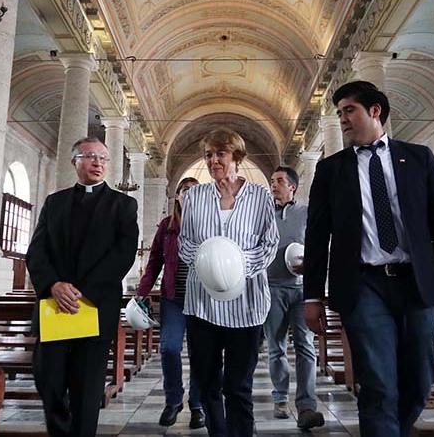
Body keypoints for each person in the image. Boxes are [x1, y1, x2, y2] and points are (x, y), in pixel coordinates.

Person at [303, 81, 434, 437]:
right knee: (378, 383)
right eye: (339, 114)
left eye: (349, 110)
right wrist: (312, 297)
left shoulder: (418, 158)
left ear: (375, 111)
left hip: (415, 283)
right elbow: (317, 237)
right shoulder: (331, 170)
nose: (343, 120)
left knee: (419, 381)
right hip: (363, 285)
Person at [26, 136, 139, 437]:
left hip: (94, 307)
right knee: (48, 383)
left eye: (103, 157)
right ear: (74, 161)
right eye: (90, 156)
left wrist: (79, 291)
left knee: (87, 393)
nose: (98, 162)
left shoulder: (124, 205)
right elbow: (36, 252)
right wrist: (53, 285)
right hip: (54, 308)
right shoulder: (55, 202)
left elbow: (123, 255)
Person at [179, 128, 279, 436]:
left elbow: (270, 244)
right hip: (202, 304)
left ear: (236, 156)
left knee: (238, 385)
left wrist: (235, 268)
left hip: (246, 304)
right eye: (208, 155)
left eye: (220, 154)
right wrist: (210, 265)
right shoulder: (194, 196)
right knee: (207, 381)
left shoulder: (261, 196)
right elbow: (184, 243)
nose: (213, 160)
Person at [136, 176, 205, 429]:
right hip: (173, 298)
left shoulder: (209, 224)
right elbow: (155, 261)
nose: (189, 194)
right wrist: (142, 290)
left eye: (195, 190)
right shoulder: (167, 225)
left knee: (201, 354)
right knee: (169, 348)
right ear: (178, 196)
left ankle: (197, 405)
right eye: (185, 190)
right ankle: (174, 400)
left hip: (202, 300)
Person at [263, 166, 324, 429]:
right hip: (272, 287)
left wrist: (312, 262)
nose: (273, 185)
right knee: (276, 346)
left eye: (278, 181)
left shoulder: (307, 212)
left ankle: (307, 405)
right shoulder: (264, 214)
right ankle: (279, 397)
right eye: (272, 181)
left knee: (305, 346)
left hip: (301, 289)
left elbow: (320, 244)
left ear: (292, 186)